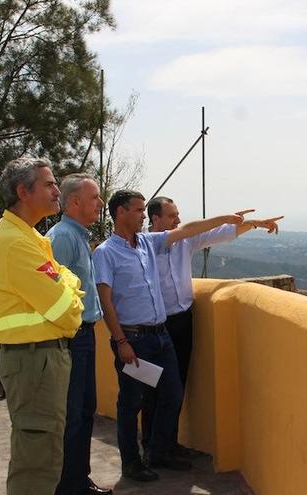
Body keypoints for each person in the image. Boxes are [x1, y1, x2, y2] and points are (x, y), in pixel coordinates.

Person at [92, 189, 246, 483]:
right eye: (138, 211)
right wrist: (122, 341)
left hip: (160, 336)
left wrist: (226, 218)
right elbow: (106, 301)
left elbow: (188, 230)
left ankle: (159, 451)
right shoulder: (106, 253)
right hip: (134, 341)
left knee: (172, 395)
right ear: (121, 212)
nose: (142, 216)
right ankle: (132, 463)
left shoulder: (147, 244)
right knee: (132, 403)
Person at [140, 197, 282, 455]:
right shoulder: (143, 245)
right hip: (154, 324)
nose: (178, 220)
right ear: (155, 219)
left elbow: (221, 235)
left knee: (177, 385)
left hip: (182, 320)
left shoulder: (185, 241)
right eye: (172, 216)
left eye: (178, 214)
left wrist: (253, 224)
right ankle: (150, 444)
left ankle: (166, 445)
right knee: (152, 388)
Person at [0, 157, 85, 495]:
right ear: (23, 191)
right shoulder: (16, 243)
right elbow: (68, 312)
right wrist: (66, 287)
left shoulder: (28, 236)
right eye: (49, 184)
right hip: (34, 361)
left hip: (38, 360)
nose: (58, 189)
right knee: (37, 460)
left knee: (43, 453)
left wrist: (64, 284)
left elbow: (68, 279)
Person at [46, 174, 112, 495]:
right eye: (95, 197)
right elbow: (52, 294)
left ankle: (78, 480)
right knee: (72, 415)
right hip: (71, 338)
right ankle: (67, 486)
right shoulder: (62, 238)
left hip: (83, 336)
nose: (101, 203)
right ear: (74, 202)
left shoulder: (77, 236)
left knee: (85, 410)